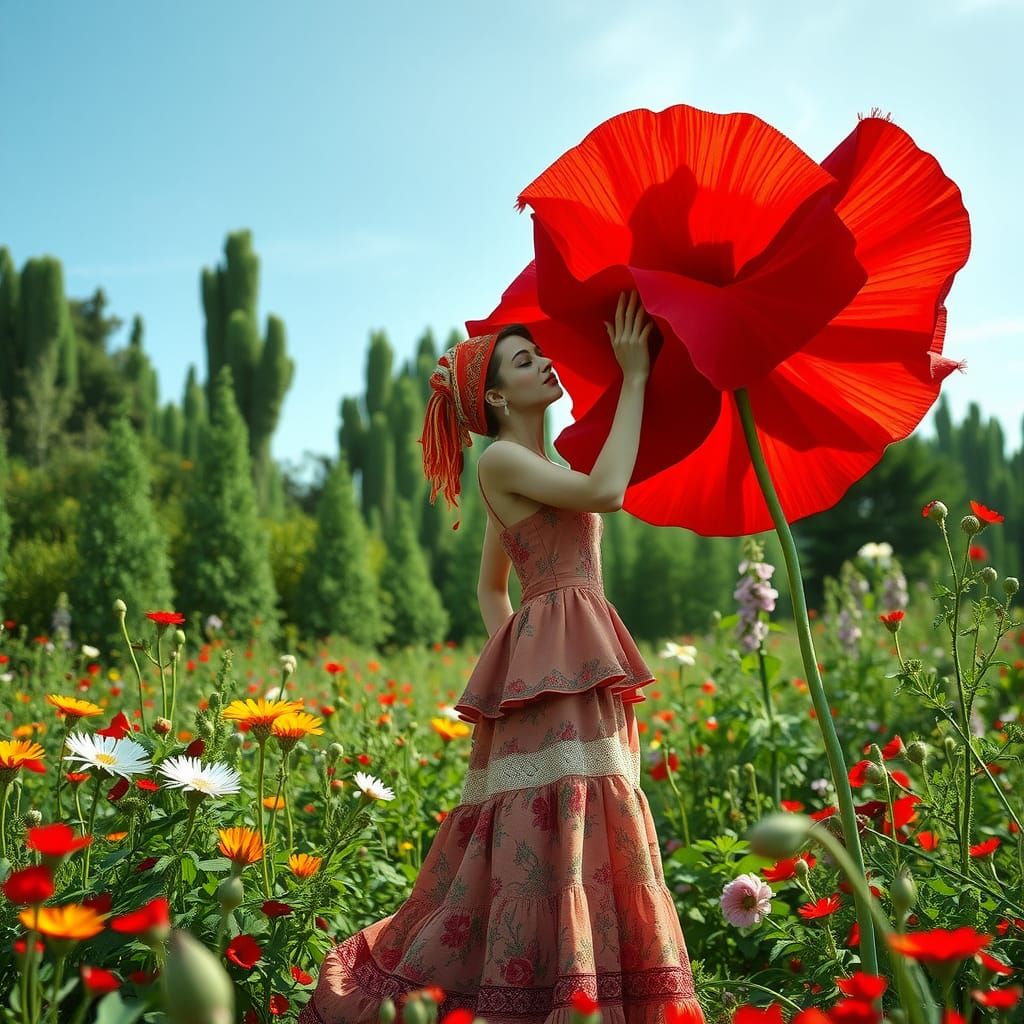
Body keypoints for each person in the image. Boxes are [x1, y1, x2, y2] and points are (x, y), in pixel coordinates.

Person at [299, 291, 705, 1024]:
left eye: (540, 353)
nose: (545, 363)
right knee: (563, 825)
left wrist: (525, 653)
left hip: (575, 665)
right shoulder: (502, 460)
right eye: (526, 360)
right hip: (567, 667)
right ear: (494, 395)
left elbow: (495, 586)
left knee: (586, 829)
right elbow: (607, 491)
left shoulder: (532, 462)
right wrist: (636, 377)